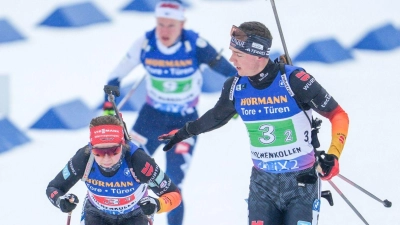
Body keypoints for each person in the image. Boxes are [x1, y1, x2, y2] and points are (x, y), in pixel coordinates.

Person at [159, 21, 349, 225]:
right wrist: (184, 132)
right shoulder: (235, 87)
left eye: (238, 54)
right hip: (263, 184)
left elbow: (338, 115)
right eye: (232, 52)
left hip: (301, 182)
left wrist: (333, 155)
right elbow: (216, 117)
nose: (232, 59)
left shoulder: (294, 80)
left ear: (259, 55)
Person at [103, 1, 236, 224]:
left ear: (182, 24)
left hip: (184, 122)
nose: (164, 31)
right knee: (128, 173)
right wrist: (111, 96)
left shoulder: (195, 43)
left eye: (171, 26)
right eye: (160, 24)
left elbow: (231, 72)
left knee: (173, 183)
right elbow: (116, 75)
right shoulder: (146, 42)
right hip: (151, 118)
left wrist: (239, 99)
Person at [46, 115, 182, 225]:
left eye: (113, 151)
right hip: (96, 213)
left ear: (122, 145)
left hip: (135, 214)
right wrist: (61, 201)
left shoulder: (138, 161)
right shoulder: (84, 158)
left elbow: (175, 195)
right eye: (98, 152)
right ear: (91, 147)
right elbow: (53, 188)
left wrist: (158, 205)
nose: (106, 159)